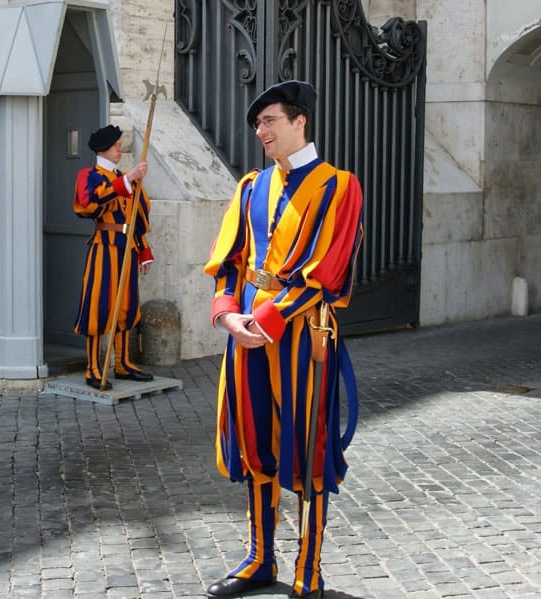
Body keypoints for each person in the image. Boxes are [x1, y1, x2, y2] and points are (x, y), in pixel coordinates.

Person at [203, 80, 363, 598]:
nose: (260, 130)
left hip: (301, 335)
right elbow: (231, 261)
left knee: (307, 444)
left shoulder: (339, 186)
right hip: (246, 331)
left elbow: (327, 272)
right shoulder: (250, 185)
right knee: (252, 442)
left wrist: (266, 321)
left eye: (269, 120)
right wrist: (228, 315)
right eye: (257, 123)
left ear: (300, 121)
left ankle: (308, 568)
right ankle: (259, 560)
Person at [73, 124, 155, 390]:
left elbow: (137, 217)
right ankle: (93, 368)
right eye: (117, 145)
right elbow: (87, 206)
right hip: (104, 247)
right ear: (104, 149)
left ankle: (123, 364)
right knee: (98, 306)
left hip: (127, 247)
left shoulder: (124, 177)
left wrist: (143, 250)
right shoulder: (90, 175)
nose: (121, 148)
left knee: (126, 306)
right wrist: (125, 182)